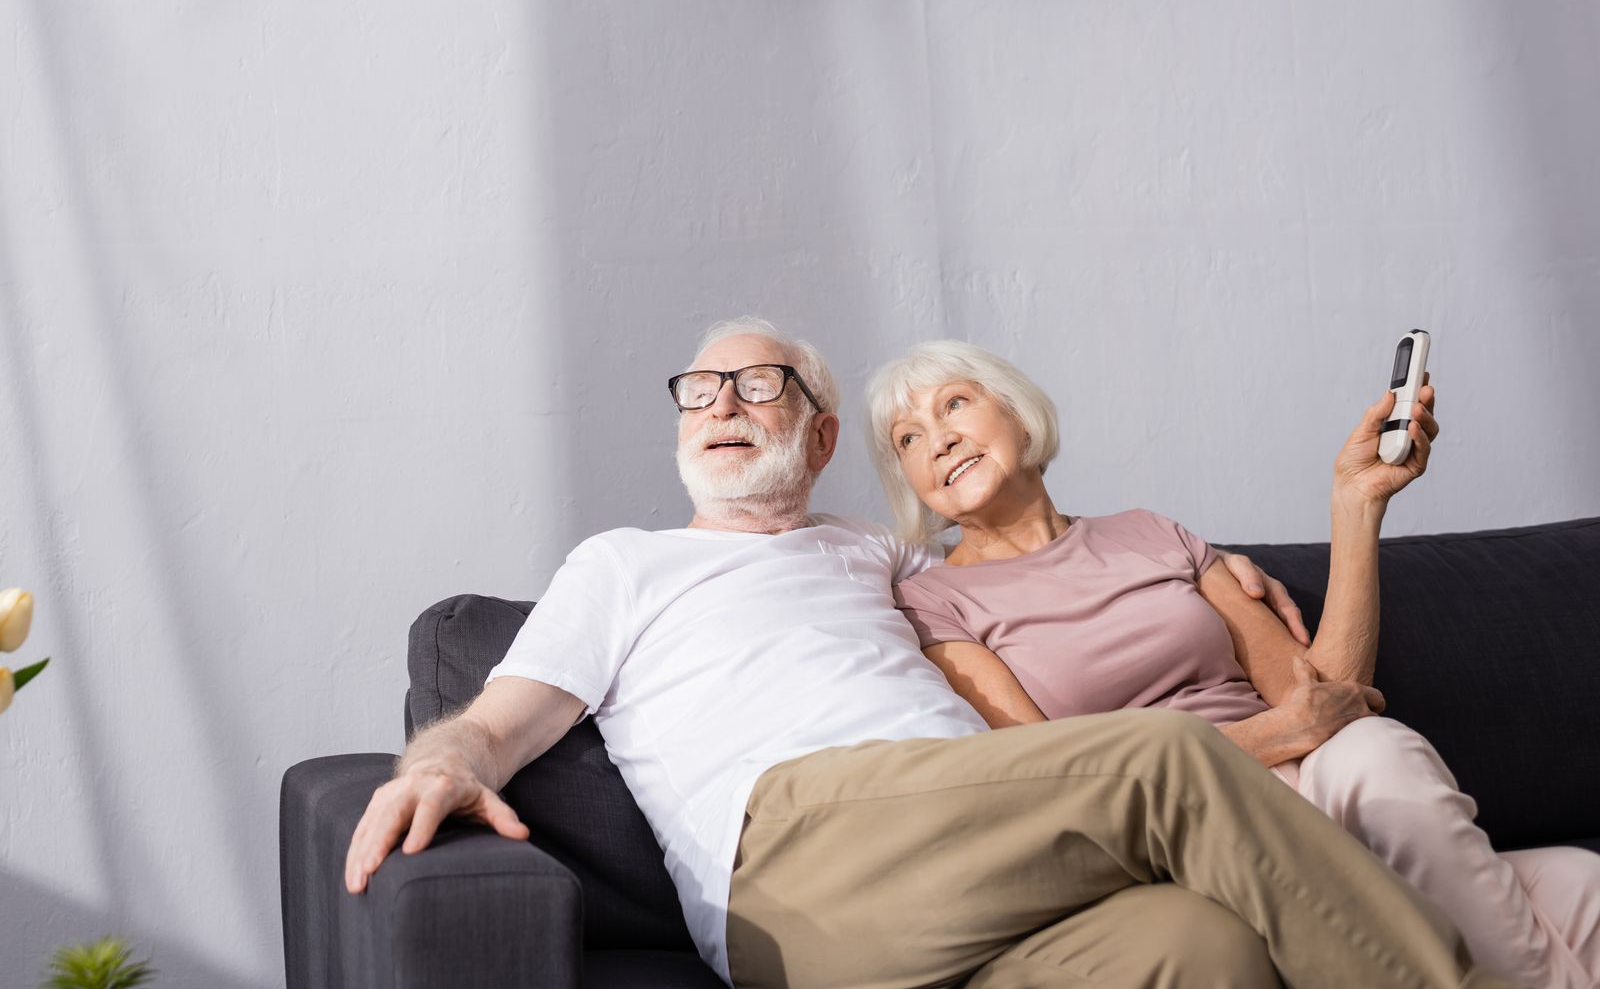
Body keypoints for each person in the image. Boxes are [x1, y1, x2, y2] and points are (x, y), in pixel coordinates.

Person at [345, 318, 1519, 989]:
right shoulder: (626, 565)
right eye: (700, 389)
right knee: (1162, 761)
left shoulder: (879, 558)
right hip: (803, 858)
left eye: (761, 383)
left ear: (817, 436)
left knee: (1208, 950)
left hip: (980, 876)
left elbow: (1032, 569)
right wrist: (440, 765)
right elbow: (500, 717)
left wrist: (1211, 572)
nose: (723, 402)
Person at [872, 338, 1600, 989]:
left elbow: (1323, 696)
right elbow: (1056, 782)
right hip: (1199, 828)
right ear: (909, 478)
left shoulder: (1150, 533)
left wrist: (1356, 502)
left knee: (1574, 877)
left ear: (1021, 416)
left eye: (955, 404)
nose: (936, 439)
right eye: (909, 437)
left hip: (1320, 785)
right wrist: (1276, 737)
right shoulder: (937, 604)